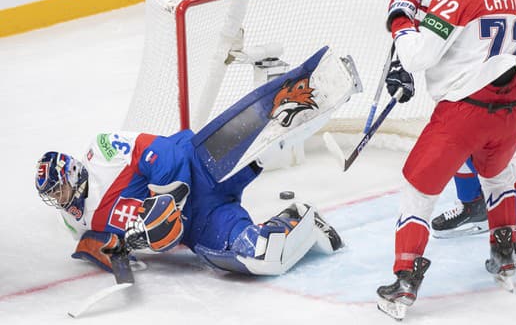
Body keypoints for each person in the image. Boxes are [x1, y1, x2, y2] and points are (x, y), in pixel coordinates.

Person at [34, 46, 360, 277]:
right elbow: (119, 243)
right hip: (201, 221)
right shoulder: (78, 222)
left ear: (73, 172)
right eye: (53, 195)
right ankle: (298, 219)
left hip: (200, 164)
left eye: (59, 188)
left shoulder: (101, 152)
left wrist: (167, 201)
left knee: (276, 125)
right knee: (260, 255)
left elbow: (162, 153)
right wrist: (128, 243)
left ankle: (336, 75)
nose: (59, 198)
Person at [373, 0, 516, 320]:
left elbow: (417, 58)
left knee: (417, 189)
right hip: (512, 112)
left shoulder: (453, 1)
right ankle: (505, 257)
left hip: (465, 115)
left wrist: (401, 18)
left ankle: (405, 282)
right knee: (497, 178)